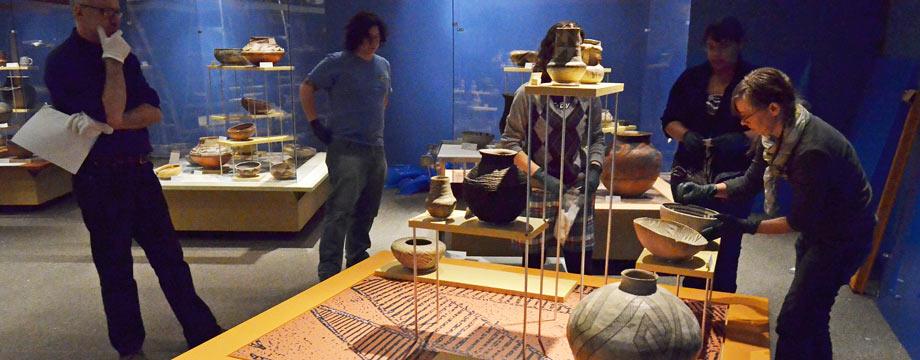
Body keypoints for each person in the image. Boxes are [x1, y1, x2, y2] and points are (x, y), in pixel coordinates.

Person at [44, 0, 221, 358]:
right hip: (99, 179)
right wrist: (112, 63)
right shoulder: (63, 61)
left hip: (138, 170)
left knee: (170, 257)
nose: (114, 18)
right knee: (115, 268)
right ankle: (129, 348)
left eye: (117, 11)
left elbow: (152, 111)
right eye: (105, 10)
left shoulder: (125, 52)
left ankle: (201, 330)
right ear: (79, 11)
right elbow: (112, 109)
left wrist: (117, 121)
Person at [677, 67, 875, 359]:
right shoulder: (774, 136)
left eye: (747, 115)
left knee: (793, 322)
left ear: (773, 107)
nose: (743, 122)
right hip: (819, 229)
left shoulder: (811, 151)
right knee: (815, 317)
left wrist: (744, 226)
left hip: (843, 237)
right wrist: (707, 190)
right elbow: (748, 183)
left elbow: (798, 221)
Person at [660, 16, 756, 292]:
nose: (717, 54)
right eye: (712, 47)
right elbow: (669, 119)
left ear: (739, 45)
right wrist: (686, 135)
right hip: (690, 171)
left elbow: (768, 128)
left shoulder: (751, 81)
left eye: (724, 47)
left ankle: (722, 304)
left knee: (727, 242)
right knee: (691, 241)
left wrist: (740, 139)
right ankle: (691, 301)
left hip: (735, 175)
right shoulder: (692, 78)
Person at [500, 21, 605, 274]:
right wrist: (540, 176)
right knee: (533, 269)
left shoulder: (588, 95)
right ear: (549, 51)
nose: (569, 54)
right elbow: (510, 143)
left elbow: (597, 138)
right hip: (536, 191)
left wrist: (594, 170)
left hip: (576, 191)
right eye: (562, 47)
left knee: (582, 270)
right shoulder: (529, 93)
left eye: (575, 48)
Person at [300, 11, 391, 281]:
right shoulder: (336, 63)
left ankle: (357, 256)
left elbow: (384, 99)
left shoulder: (383, 65)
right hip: (346, 148)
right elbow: (306, 87)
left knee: (368, 208)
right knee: (340, 209)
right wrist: (315, 123)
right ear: (355, 38)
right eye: (367, 38)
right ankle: (328, 269)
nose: (372, 43)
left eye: (376, 38)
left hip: (375, 148)